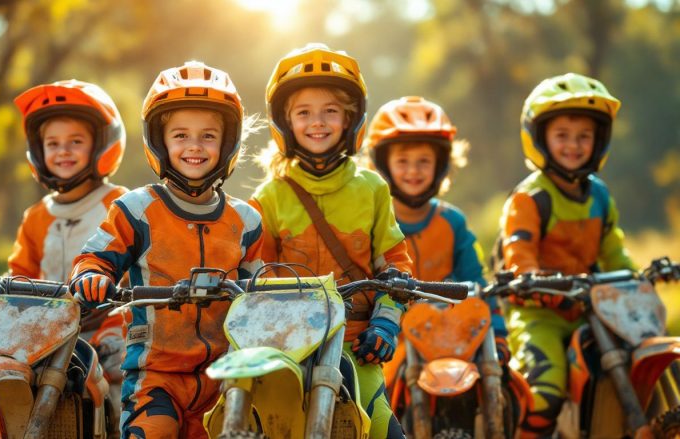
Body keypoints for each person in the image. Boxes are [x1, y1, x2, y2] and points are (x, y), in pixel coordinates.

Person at [69, 61, 264, 439]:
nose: (194, 146)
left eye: (209, 136)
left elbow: (261, 287)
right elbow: (95, 257)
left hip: (228, 377)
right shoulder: (137, 209)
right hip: (155, 374)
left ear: (228, 143)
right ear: (159, 141)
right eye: (180, 135)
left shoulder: (247, 220)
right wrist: (91, 275)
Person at [0, 79, 129, 427]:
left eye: (76, 141)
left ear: (102, 144)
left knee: (126, 373)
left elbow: (138, 261)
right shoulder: (36, 216)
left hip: (105, 321)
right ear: (38, 150)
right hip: (45, 326)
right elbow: (21, 271)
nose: (63, 150)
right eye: (53, 143)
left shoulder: (121, 204)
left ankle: (120, 427)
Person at [250, 43, 409, 439]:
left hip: (358, 345)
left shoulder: (373, 188)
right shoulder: (268, 198)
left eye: (330, 111)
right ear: (285, 122)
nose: (316, 122)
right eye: (304, 112)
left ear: (350, 120)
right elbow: (251, 278)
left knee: (383, 431)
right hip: (284, 349)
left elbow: (396, 268)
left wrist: (386, 326)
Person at [498, 73, 636, 438]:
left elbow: (614, 252)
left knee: (631, 368)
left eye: (584, 136)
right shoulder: (530, 198)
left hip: (592, 311)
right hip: (537, 314)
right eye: (562, 135)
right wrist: (532, 280)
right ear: (540, 137)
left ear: (599, 140)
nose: (573, 145)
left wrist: (636, 280)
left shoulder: (600, 196)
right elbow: (518, 254)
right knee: (544, 391)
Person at [362, 96, 509, 412]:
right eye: (402, 161)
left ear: (441, 165)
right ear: (381, 164)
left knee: (504, 391)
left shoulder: (452, 221)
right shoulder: (370, 222)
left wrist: (498, 334)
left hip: (452, 335)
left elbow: (478, 284)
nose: (413, 171)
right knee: (376, 403)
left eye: (424, 161)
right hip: (392, 336)